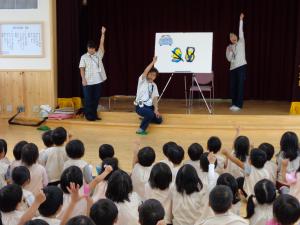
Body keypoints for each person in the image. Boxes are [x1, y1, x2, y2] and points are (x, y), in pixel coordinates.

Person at [79, 26, 107, 121]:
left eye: (93, 48)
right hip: (88, 82)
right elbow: (82, 69)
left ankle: (94, 115)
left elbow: (101, 44)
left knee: (96, 100)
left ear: (95, 49)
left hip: (98, 81)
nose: (91, 50)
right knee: (88, 100)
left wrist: (103, 33)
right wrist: (83, 79)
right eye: (89, 48)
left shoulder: (98, 55)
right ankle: (88, 116)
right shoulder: (83, 57)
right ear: (87, 48)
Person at [134, 57, 162, 135]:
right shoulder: (142, 80)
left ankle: (146, 118)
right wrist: (153, 62)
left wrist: (156, 109)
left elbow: (155, 98)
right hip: (140, 106)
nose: (152, 76)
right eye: (151, 74)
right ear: (148, 74)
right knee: (150, 114)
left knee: (159, 120)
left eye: (154, 75)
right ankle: (141, 129)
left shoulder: (154, 85)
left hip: (150, 107)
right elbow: (145, 71)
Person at [226, 13, 247, 112]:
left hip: (241, 66)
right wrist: (231, 52)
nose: (232, 37)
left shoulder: (241, 42)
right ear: (229, 39)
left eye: (233, 35)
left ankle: (239, 105)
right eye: (230, 37)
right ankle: (234, 103)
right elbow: (229, 59)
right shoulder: (229, 47)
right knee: (233, 86)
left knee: (240, 85)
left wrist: (241, 20)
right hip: (233, 68)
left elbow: (240, 31)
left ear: (236, 37)